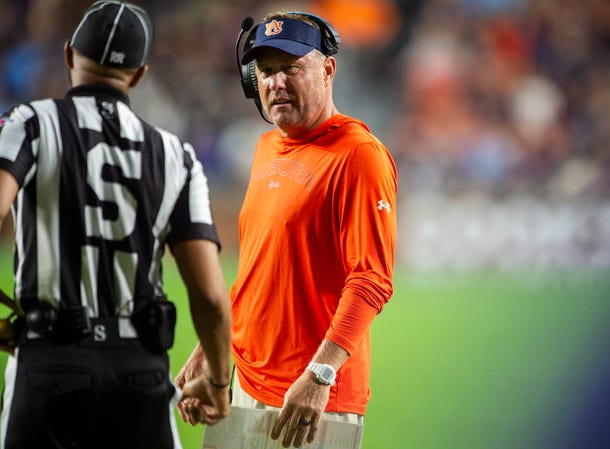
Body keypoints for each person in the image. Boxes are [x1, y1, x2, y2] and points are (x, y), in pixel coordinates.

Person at [0, 2, 232, 448]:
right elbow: (209, 295)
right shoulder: (176, 155)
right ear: (140, 75)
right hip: (139, 373)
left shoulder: (28, 123)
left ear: (69, 55)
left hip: (49, 361)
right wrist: (219, 384)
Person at [176, 10, 397, 448]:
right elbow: (259, 268)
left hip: (312, 399)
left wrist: (320, 375)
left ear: (327, 70)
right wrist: (212, 350)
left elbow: (372, 279)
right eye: (265, 71)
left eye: (291, 68)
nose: (275, 82)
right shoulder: (265, 147)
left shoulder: (359, 156)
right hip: (243, 384)